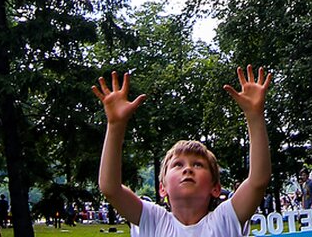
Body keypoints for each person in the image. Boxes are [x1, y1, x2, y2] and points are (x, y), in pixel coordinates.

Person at [92, 65, 272, 236]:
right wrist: (115, 126)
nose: (188, 169)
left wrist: (254, 116)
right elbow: (110, 188)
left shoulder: (225, 219)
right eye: (177, 165)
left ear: (216, 188)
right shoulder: (153, 220)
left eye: (198, 165)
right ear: (162, 189)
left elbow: (258, 181)